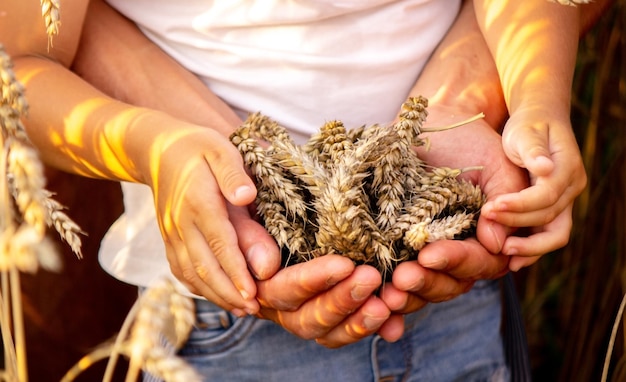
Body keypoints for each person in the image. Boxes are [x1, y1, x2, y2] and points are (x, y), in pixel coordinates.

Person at [1, 0, 602, 379]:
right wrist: (159, 149)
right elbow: (17, 66)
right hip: (224, 305)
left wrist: (529, 99)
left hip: (457, 271)